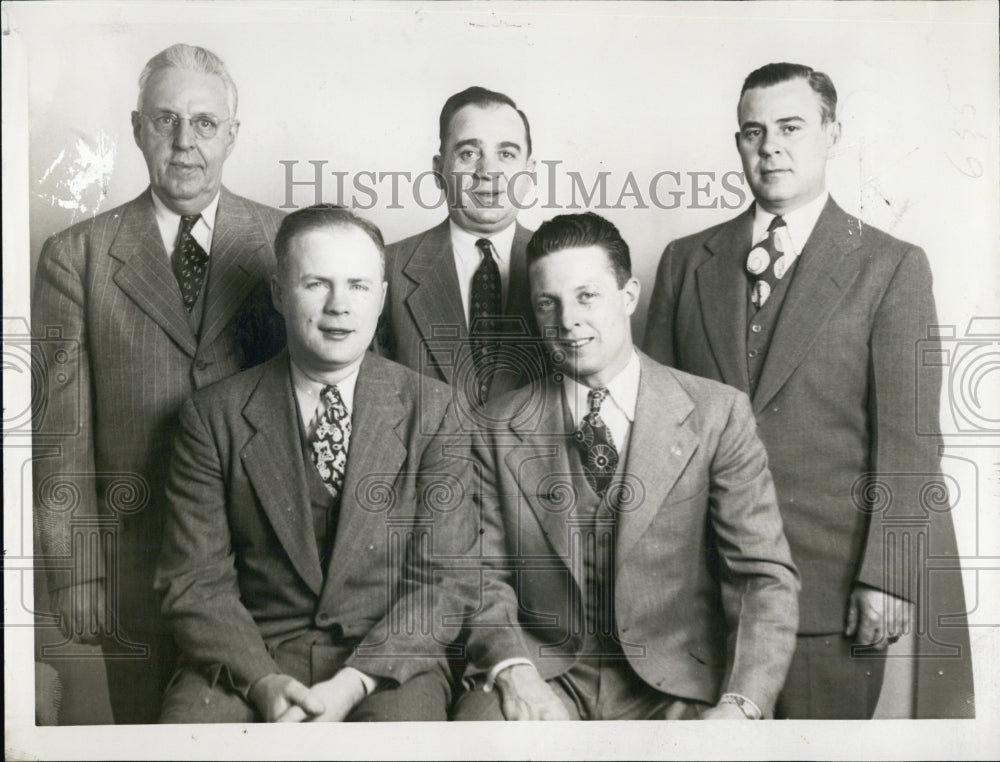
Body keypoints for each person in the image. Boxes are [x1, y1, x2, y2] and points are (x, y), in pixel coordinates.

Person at [642, 62, 974, 718]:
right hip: (700, 599)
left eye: (790, 127)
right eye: (752, 132)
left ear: (831, 133)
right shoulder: (686, 262)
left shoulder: (890, 267)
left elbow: (910, 442)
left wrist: (887, 575)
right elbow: (654, 435)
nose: (770, 147)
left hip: (830, 596)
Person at [453, 212, 800, 721]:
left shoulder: (715, 413)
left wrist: (741, 704)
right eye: (548, 302)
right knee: (482, 738)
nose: (567, 319)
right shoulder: (494, 424)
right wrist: (514, 671)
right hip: (543, 671)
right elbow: (480, 574)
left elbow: (762, 577)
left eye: (587, 296)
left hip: (676, 683)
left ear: (630, 295)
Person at [31, 43, 285, 723]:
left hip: (264, 566)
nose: (184, 143)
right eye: (165, 121)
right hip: (131, 563)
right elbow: (61, 432)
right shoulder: (76, 257)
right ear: (138, 128)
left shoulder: (285, 244)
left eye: (204, 124)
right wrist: (79, 569)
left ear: (233, 134)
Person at [154, 205, 476, 723]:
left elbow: (446, 582)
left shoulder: (436, 411)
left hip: (384, 664)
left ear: (382, 298)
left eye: (358, 286)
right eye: (316, 284)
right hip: (246, 661)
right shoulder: (212, 416)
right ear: (280, 293)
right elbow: (194, 582)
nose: (339, 306)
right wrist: (262, 681)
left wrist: (353, 683)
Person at [380, 86, 540, 409]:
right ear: (439, 170)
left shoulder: (565, 268)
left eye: (506, 154)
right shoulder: (387, 267)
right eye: (469, 153)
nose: (488, 172)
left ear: (529, 172)